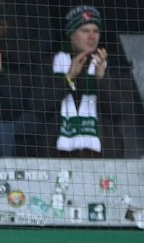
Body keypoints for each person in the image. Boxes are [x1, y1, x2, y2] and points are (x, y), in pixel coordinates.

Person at [50, 7, 106, 153]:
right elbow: (39, 106)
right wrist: (68, 77)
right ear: (71, 34)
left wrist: (102, 79)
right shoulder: (52, 63)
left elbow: (120, 111)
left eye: (96, 31)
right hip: (58, 154)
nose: (92, 36)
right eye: (85, 31)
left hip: (100, 155)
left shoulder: (108, 65)